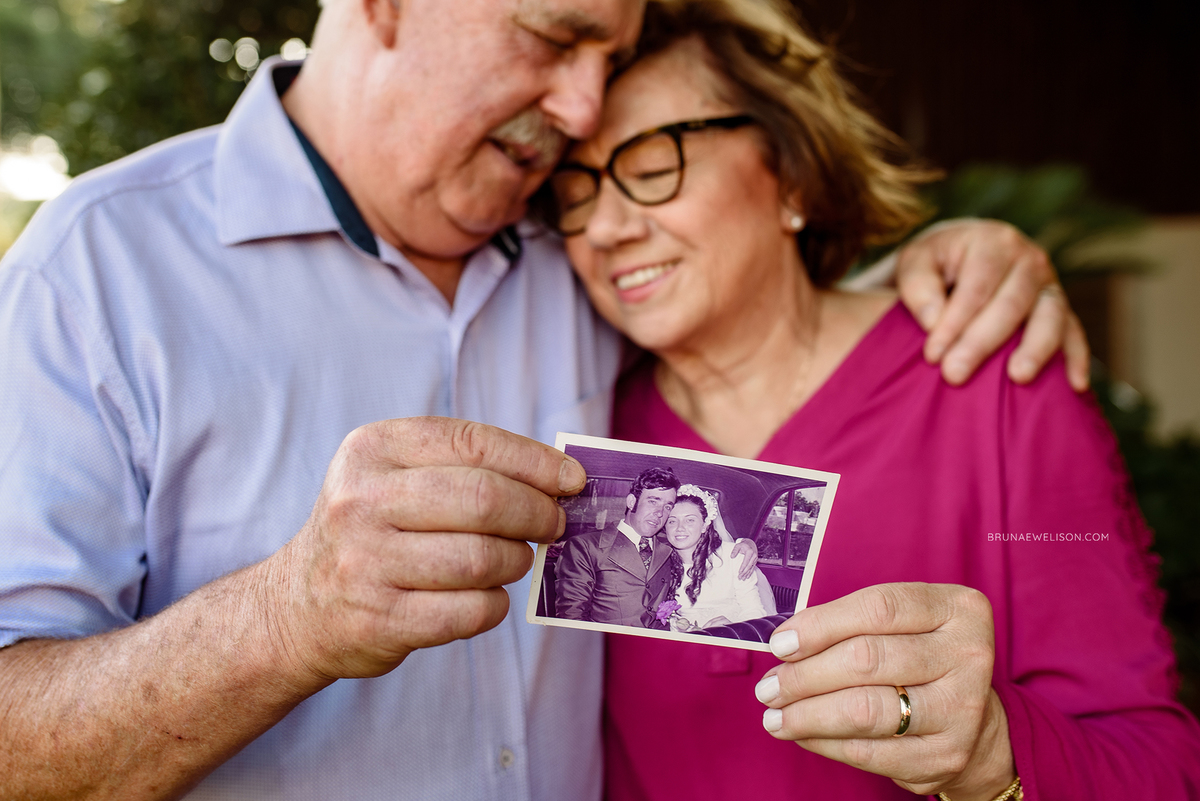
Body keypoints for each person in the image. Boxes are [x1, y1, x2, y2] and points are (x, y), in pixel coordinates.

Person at [0, 0, 1093, 797]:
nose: (581, 108)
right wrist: (289, 615)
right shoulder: (97, 271)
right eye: (554, 37)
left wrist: (958, 263)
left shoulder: (569, 247)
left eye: (606, 58)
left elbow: (753, 302)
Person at [544, 0, 1200, 798]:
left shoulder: (991, 385)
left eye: (653, 169)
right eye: (574, 192)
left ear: (791, 173)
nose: (605, 228)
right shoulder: (583, 429)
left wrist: (993, 753)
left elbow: (1156, 765)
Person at [555, 465, 683, 626]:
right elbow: (571, 616)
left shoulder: (672, 547)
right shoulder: (585, 546)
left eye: (668, 507)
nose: (660, 513)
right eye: (653, 502)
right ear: (632, 502)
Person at [661, 484, 770, 631]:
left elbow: (755, 612)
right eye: (672, 521)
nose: (680, 528)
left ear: (705, 525)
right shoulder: (659, 562)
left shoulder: (734, 556)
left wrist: (732, 626)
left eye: (690, 520)